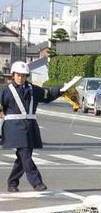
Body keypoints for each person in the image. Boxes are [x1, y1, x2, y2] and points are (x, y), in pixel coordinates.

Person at [1, 61, 63, 192]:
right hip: (14, 127)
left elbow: (48, 95)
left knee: (23, 156)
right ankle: (37, 183)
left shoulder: (33, 89)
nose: (21, 78)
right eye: (18, 75)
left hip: (29, 126)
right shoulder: (6, 91)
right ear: (13, 75)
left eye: (24, 75)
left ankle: (12, 182)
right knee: (25, 154)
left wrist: (62, 90)